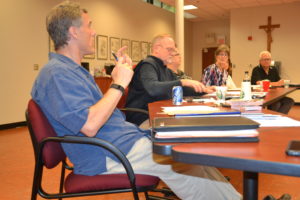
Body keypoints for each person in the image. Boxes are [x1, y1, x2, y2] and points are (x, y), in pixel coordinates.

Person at [31, 2, 241, 199]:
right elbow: (89, 125)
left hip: (122, 141)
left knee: (193, 154)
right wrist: (118, 84)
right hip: (106, 153)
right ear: (73, 32)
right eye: (89, 26)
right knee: (180, 160)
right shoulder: (56, 74)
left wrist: (119, 79)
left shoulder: (74, 72)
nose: (93, 31)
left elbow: (100, 112)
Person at [126, 34, 213, 126]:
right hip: (144, 118)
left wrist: (204, 90)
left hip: (160, 114)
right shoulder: (147, 65)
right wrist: (183, 81)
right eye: (169, 49)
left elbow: (182, 89)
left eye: (174, 50)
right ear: (157, 49)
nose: (173, 53)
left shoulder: (166, 70)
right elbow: (153, 89)